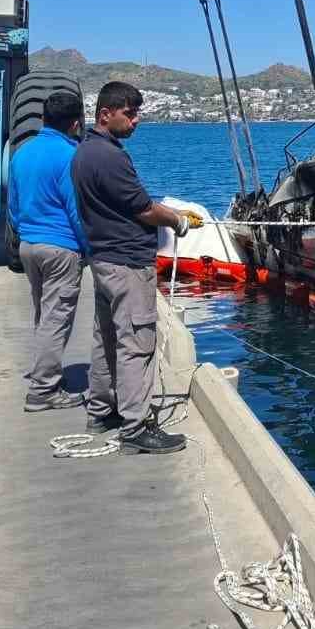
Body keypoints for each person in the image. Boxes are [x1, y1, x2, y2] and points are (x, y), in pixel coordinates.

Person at [71, 81, 194, 454]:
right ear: (105, 114)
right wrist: (177, 219)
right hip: (127, 264)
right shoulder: (111, 157)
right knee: (137, 342)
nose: (136, 120)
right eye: (129, 113)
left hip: (103, 259)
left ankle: (101, 410)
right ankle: (135, 427)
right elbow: (143, 208)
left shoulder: (84, 152)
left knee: (106, 337)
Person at [8, 89, 90, 412]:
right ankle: (43, 390)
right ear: (75, 124)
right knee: (57, 318)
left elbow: (13, 206)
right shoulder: (71, 155)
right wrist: (88, 248)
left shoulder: (21, 153)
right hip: (60, 247)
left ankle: (46, 374)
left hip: (29, 245)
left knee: (44, 316)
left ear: (43, 118)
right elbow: (76, 210)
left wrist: (25, 232)